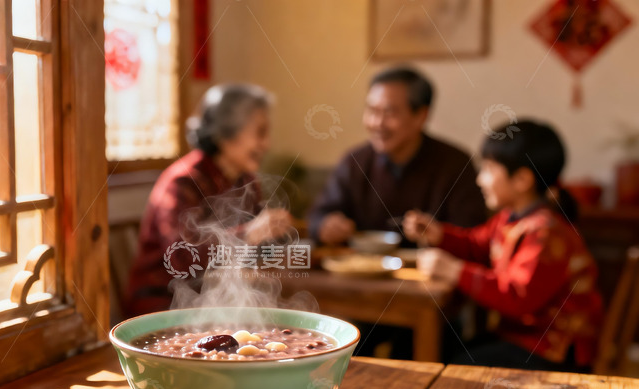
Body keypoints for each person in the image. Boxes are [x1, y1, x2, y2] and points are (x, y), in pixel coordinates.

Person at [404, 120, 603, 372]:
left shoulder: (546, 231)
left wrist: (455, 271)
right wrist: (439, 234)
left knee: (457, 367)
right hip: (521, 339)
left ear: (521, 179)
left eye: (488, 169)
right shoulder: (509, 217)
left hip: (553, 351)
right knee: (441, 348)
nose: (480, 180)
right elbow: (476, 245)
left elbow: (517, 297)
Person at [125, 84, 291, 317]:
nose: (267, 144)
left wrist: (274, 233)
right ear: (226, 132)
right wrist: (250, 233)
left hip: (219, 301)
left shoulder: (245, 180)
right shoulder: (182, 181)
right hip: (164, 305)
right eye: (260, 133)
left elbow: (256, 251)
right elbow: (182, 258)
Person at [309, 66, 487, 246]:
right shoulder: (354, 161)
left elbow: (473, 236)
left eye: (389, 112)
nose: (377, 123)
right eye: (372, 111)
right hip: (363, 269)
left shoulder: (455, 164)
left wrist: (438, 235)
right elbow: (318, 216)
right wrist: (325, 226)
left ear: (421, 116)